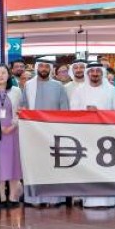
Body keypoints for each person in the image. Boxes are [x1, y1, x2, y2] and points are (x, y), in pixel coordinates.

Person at [71, 62, 115, 208]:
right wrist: (86, 112)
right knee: (89, 167)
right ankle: (88, 199)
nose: (94, 73)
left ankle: (110, 199)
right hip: (86, 136)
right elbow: (73, 112)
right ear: (87, 73)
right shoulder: (79, 90)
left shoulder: (111, 90)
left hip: (108, 137)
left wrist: (98, 111)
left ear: (102, 73)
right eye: (91, 71)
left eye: (98, 71)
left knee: (107, 168)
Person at [23, 57, 70, 208]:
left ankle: (55, 199)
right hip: (33, 133)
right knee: (36, 166)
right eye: (41, 66)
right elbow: (24, 108)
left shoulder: (58, 86)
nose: (43, 69)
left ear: (50, 69)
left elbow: (64, 110)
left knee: (54, 166)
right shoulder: (28, 86)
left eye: (46, 66)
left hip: (53, 133)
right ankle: (35, 199)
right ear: (37, 67)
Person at [0, 65, 24, 208]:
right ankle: (1, 197)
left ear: (9, 75)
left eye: (3, 73)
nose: (0, 75)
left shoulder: (16, 91)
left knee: (14, 164)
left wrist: (13, 126)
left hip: (13, 132)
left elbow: (20, 111)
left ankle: (13, 197)